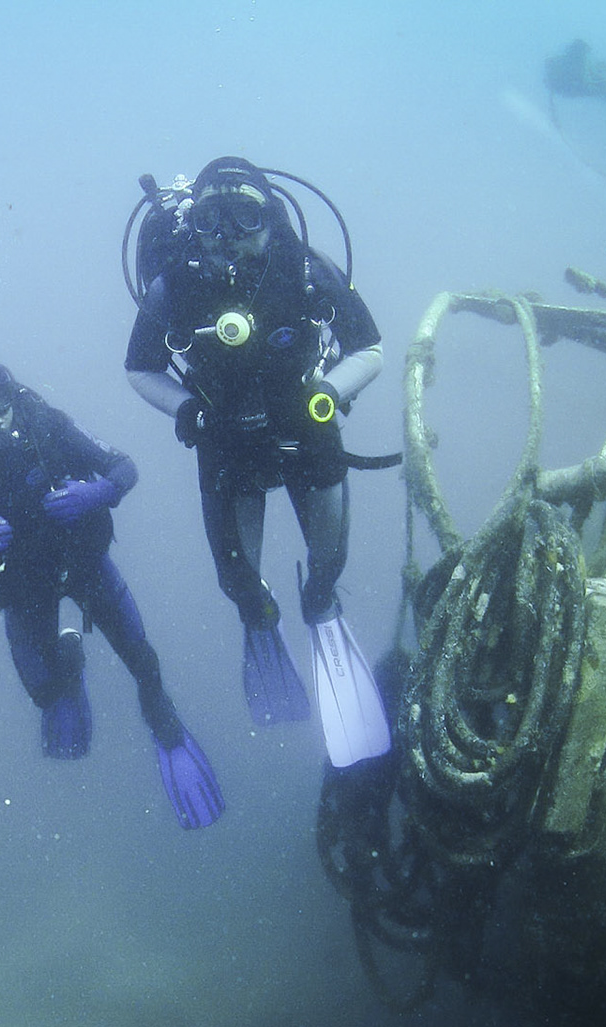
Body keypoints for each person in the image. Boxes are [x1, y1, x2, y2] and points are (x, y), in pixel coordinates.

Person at [124, 156, 392, 767]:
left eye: (246, 217)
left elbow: (369, 348)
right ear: (194, 226)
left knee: (326, 569)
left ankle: (320, 604)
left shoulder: (304, 273)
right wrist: (185, 408)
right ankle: (260, 614)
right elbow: (140, 368)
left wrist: (328, 392)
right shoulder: (175, 286)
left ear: (271, 219)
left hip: (307, 431)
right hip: (224, 442)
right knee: (239, 584)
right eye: (214, 221)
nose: (230, 237)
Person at [0, 356, 224, 829]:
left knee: (143, 662)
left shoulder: (48, 425)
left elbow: (123, 466)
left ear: (13, 396)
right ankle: (70, 654)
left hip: (82, 565)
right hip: (20, 590)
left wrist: (99, 493)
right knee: (45, 693)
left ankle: (166, 728)